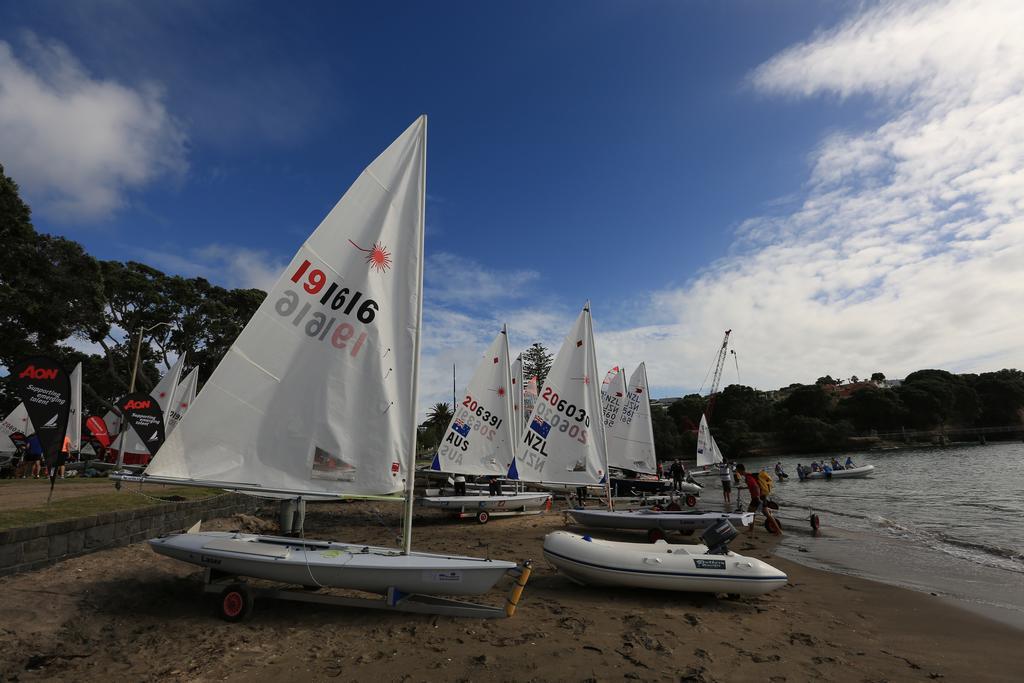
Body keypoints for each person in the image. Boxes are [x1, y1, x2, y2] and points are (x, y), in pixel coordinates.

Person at [734, 464, 762, 535]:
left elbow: (755, 486)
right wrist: (742, 488)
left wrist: (757, 498)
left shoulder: (748, 477)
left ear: (740, 470)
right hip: (757, 497)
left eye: (737, 470)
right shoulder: (747, 476)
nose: (737, 471)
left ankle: (751, 529)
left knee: (750, 514)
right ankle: (751, 529)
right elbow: (752, 486)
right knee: (753, 513)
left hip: (756, 498)